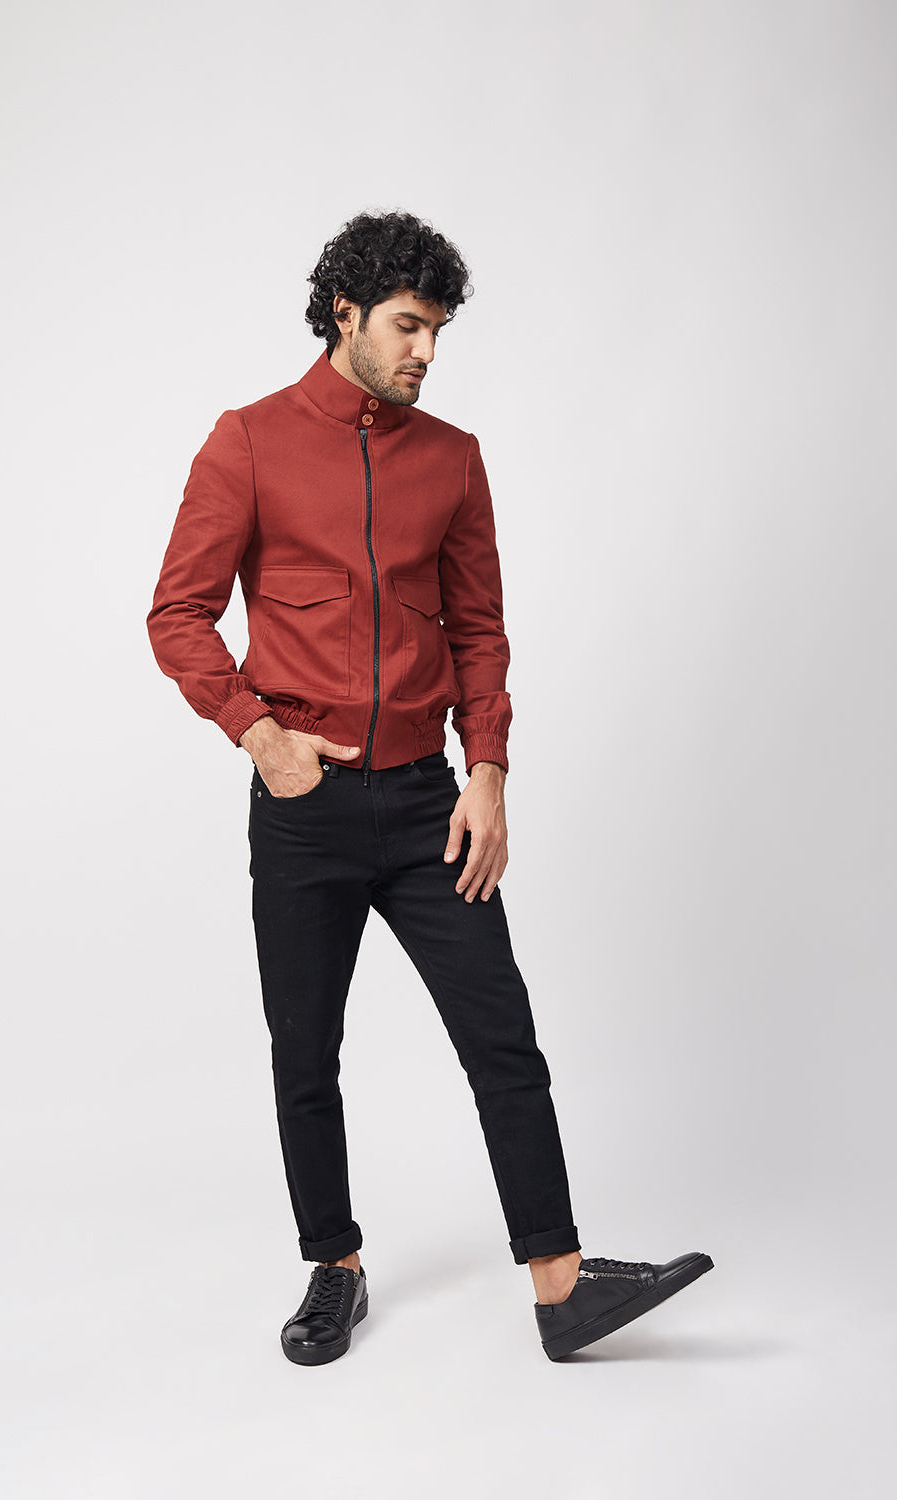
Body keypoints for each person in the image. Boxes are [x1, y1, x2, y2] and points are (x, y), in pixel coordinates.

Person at [146, 209, 713, 1364]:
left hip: (424, 804)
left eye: (438, 331)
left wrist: (487, 770)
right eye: (408, 325)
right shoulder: (247, 443)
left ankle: (560, 1285)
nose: (426, 351)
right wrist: (259, 736)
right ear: (344, 312)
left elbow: (479, 629)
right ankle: (335, 1267)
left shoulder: (451, 458)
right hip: (303, 807)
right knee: (304, 1052)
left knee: (501, 1035)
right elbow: (177, 615)